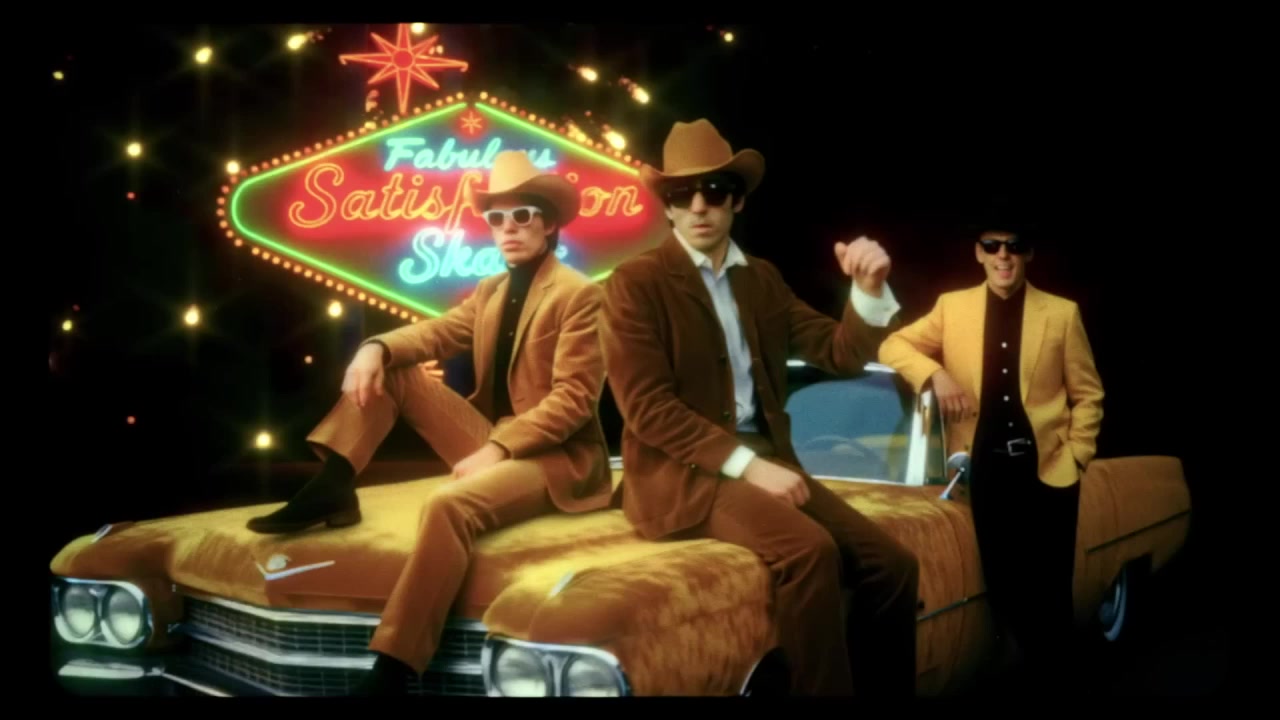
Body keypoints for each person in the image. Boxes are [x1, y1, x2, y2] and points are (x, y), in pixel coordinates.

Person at [245, 150, 614, 695]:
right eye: (497, 218)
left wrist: (498, 449)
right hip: (493, 438)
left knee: (447, 505)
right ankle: (335, 483)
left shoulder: (581, 294)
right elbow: (435, 334)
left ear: (550, 224)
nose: (508, 228)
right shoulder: (490, 291)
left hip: (557, 460)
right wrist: (374, 346)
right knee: (396, 369)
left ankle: (396, 668)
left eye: (523, 215)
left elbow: (574, 400)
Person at [598, 119, 920, 697]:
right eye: (682, 193)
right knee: (809, 551)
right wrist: (750, 467)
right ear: (667, 207)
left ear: (737, 200)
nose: (699, 205)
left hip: (767, 463)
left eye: (715, 190)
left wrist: (869, 291)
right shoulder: (635, 282)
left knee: (893, 567)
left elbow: (840, 353)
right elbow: (646, 407)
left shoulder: (761, 279)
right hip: (685, 478)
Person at [877, 212, 1104, 692]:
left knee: (1050, 598)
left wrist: (1077, 454)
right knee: (1003, 591)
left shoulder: (1062, 313)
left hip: (1048, 472)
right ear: (978, 252)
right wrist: (935, 374)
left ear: (1028, 254)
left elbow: (1088, 394)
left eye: (1014, 246)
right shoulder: (952, 307)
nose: (1004, 255)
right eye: (993, 245)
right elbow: (892, 346)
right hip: (983, 473)